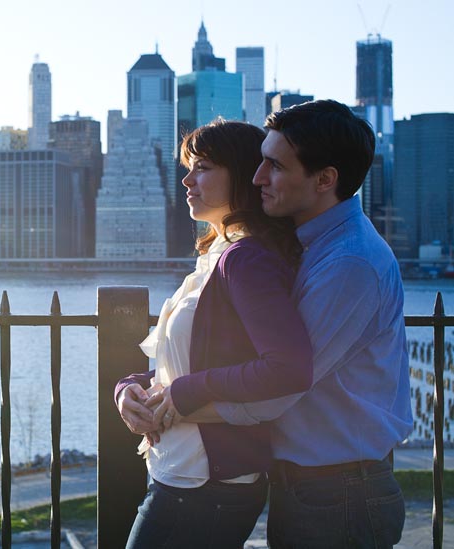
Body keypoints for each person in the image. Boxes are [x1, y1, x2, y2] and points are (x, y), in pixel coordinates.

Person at [151, 100, 413, 548]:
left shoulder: (349, 263)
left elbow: (280, 388)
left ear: (325, 179)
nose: (257, 177)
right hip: (311, 488)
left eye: (273, 165)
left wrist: (176, 400)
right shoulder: (304, 247)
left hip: (339, 493)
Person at [115, 119, 314, 548]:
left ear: (242, 174)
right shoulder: (218, 254)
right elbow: (190, 357)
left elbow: (288, 368)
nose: (187, 179)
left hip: (205, 486)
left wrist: (187, 391)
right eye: (188, 167)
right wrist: (129, 389)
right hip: (182, 474)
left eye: (202, 167)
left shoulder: (245, 260)